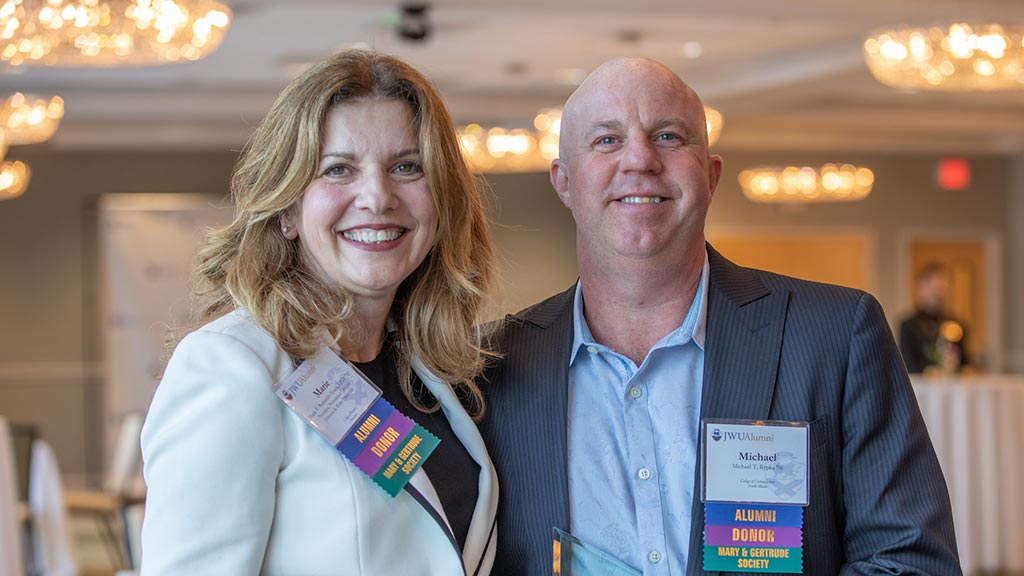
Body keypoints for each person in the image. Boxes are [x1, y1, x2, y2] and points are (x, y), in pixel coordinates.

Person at [480, 57, 960, 575]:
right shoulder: (487, 367)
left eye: (667, 136)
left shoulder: (836, 335)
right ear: (565, 183)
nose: (639, 159)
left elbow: (910, 561)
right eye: (606, 141)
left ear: (710, 177)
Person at [140, 50, 500, 575]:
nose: (377, 196)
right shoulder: (233, 367)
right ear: (287, 209)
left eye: (407, 167)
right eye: (339, 170)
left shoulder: (434, 375)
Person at [899, 262, 970, 374]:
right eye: (935, 288)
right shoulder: (909, 325)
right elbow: (906, 364)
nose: (938, 294)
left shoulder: (955, 324)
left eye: (942, 288)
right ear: (921, 288)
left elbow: (964, 362)